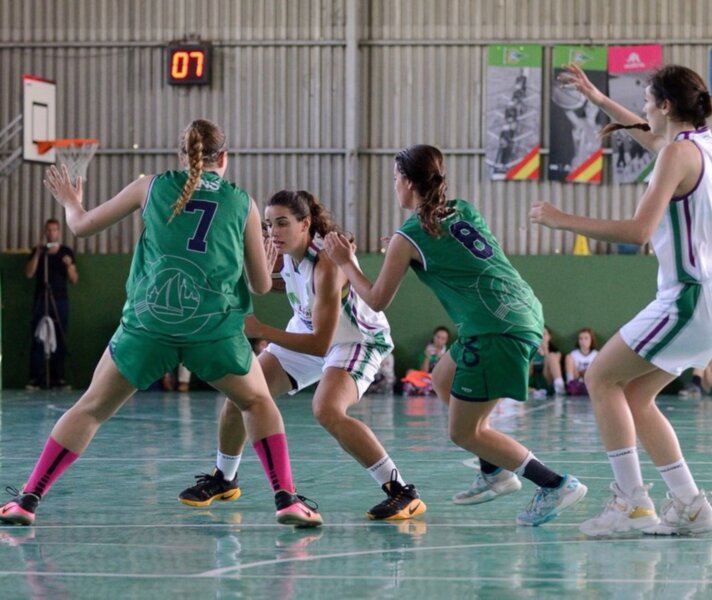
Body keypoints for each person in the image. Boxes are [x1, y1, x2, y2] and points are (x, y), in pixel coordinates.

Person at [0, 119, 321, 528]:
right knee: (256, 403)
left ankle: (28, 499)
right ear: (224, 157)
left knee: (91, 410)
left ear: (181, 155)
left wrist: (70, 201)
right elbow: (259, 285)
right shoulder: (243, 202)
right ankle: (286, 499)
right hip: (213, 330)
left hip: (149, 325)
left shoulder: (148, 186)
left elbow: (79, 226)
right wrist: (267, 262)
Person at [324, 144, 586, 526]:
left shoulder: (408, 236)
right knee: (442, 377)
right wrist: (400, 248)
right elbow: (452, 250)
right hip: (519, 311)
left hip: (494, 329)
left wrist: (346, 262)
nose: (394, 186)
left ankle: (554, 484)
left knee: (464, 431)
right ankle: (495, 473)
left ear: (409, 183)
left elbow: (376, 299)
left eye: (396, 180)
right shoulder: (461, 209)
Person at [531, 64, 712, 536]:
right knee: (636, 395)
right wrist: (599, 99)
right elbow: (648, 133)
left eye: (647, 99)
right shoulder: (702, 143)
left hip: (688, 296)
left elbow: (640, 231)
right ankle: (690, 505)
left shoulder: (675, 156)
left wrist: (564, 219)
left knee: (600, 375)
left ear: (665, 106)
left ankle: (631, 504)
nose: (643, 107)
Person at [178, 190, 425, 521]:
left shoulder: (327, 264)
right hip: (308, 329)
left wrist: (261, 330)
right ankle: (225, 478)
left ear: (305, 223)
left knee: (327, 410)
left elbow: (320, 344)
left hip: (354, 340)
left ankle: (402, 491)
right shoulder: (287, 255)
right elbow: (285, 287)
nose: (273, 232)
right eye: (268, 225)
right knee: (242, 391)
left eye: (282, 223)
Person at [24, 218, 78, 390]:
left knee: (60, 336)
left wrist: (69, 266)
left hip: (60, 300)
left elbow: (74, 279)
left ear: (59, 232)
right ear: (45, 232)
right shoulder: (38, 251)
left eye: (54, 230)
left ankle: (58, 378)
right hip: (41, 299)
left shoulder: (66, 252)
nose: (51, 233)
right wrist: (38, 254)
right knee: (38, 336)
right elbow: (29, 274)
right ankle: (35, 379)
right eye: (48, 230)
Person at [529, 325, 565, 398]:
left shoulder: (555, 352)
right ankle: (533, 390)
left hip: (547, 377)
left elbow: (555, 366)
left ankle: (559, 386)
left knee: (551, 356)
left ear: (549, 336)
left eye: (544, 334)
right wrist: (532, 354)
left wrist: (546, 351)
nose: (542, 337)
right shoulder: (531, 350)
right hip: (534, 378)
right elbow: (529, 373)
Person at [565, 328, 600, 396]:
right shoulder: (573, 354)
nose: (583, 341)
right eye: (581, 339)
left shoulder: (596, 354)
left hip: (590, 382)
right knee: (568, 358)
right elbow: (576, 373)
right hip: (577, 381)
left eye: (586, 338)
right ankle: (570, 385)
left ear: (591, 340)